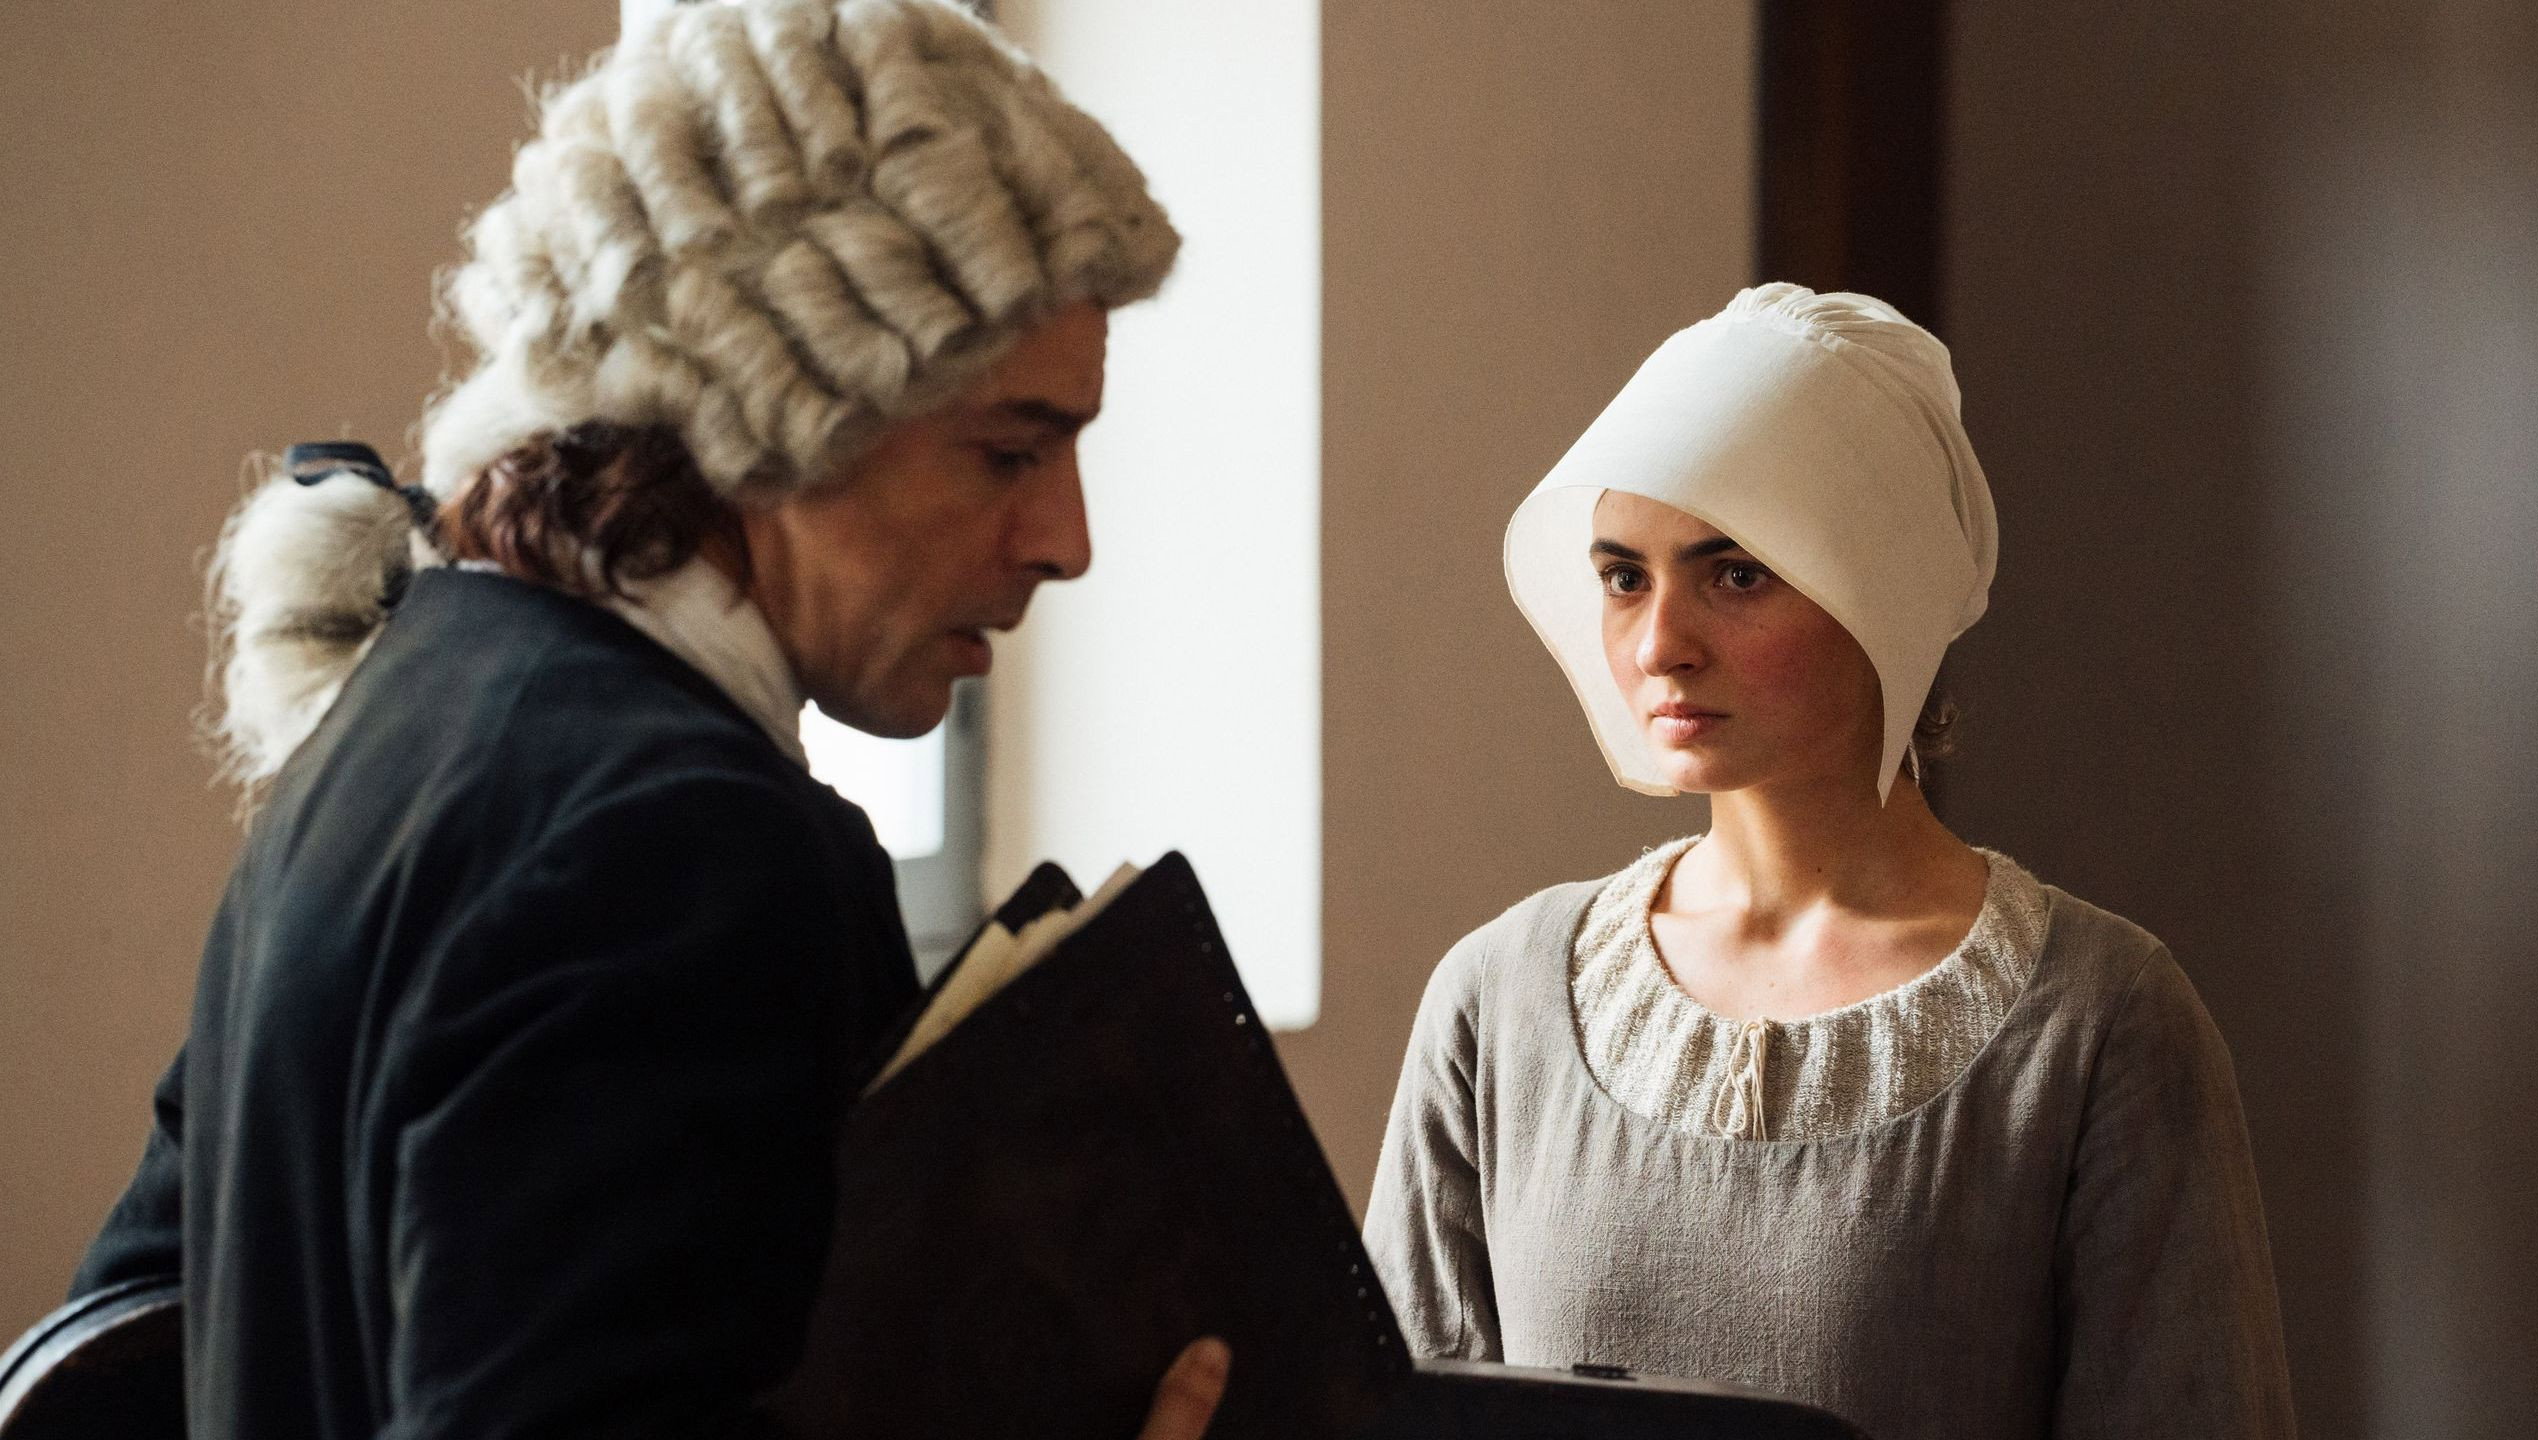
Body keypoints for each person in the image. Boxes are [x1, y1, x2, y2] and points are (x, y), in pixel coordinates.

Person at [66, 2, 1227, 1436]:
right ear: (778, 408)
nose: (1066, 541)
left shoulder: (400, 713)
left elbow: (96, 1377)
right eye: (1006, 453)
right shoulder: (686, 852)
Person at [1363, 284, 2297, 1439]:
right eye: (1624, 577)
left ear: (1883, 588)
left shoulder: (2098, 1024)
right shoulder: (1497, 1001)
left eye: (1735, 573)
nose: (1659, 644)